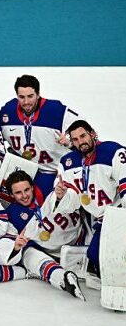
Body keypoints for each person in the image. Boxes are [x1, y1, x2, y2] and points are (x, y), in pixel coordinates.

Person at [0, 170, 85, 300]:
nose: (24, 196)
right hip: (57, 254)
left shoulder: (47, 184)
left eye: (27, 190)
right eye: (18, 193)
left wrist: (62, 194)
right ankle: (61, 277)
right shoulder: (11, 213)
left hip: (82, 238)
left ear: (32, 187)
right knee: (28, 252)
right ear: (11, 195)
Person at [57, 119, 126, 279]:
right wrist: (61, 196)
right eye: (75, 139)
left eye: (83, 136)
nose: (81, 142)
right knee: (95, 256)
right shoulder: (67, 163)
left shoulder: (112, 151)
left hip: (118, 213)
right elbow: (69, 204)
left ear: (92, 134)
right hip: (100, 219)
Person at [0, 74, 79, 198]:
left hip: (53, 171)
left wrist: (70, 141)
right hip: (25, 170)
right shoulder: (7, 112)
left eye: (30, 96)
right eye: (21, 97)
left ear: (38, 94)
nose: (26, 102)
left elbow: (90, 135)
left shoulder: (56, 110)